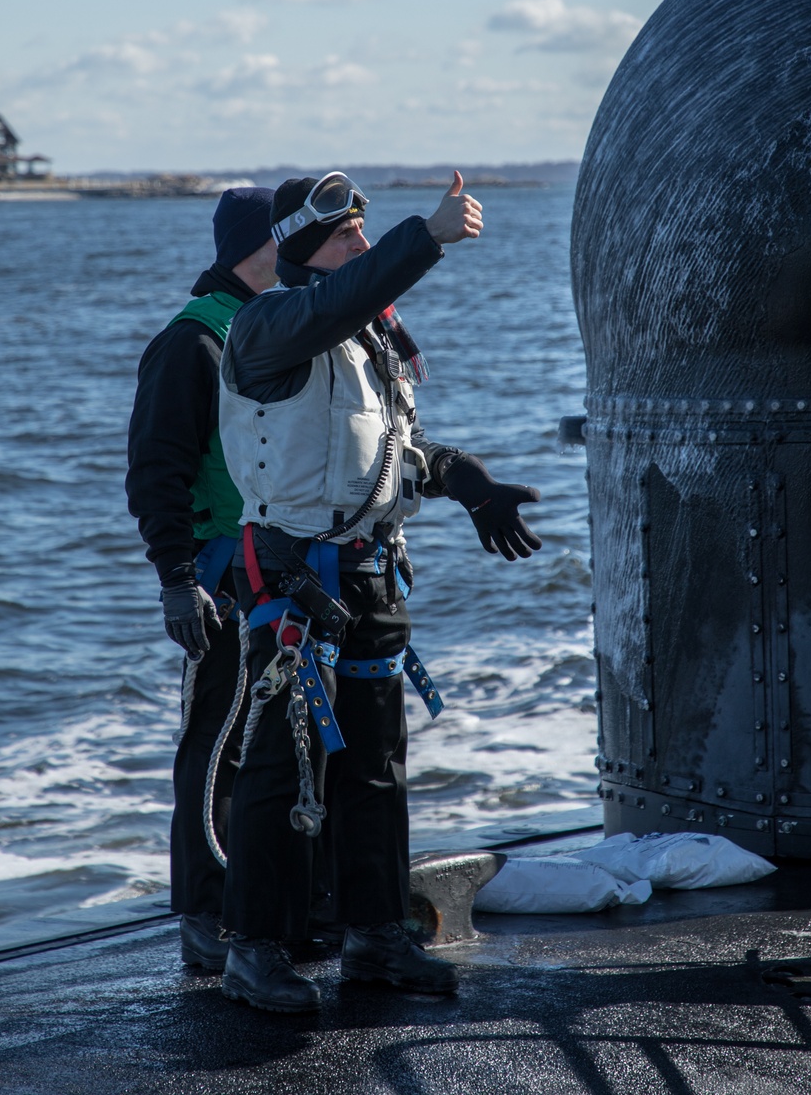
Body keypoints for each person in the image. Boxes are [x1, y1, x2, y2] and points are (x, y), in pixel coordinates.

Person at [217, 170, 541, 1012]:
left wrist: (471, 485)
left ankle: (376, 937)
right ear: (299, 253)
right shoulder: (268, 326)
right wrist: (422, 237)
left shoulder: (365, 344)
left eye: (367, 233)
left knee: (375, 769)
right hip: (295, 582)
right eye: (343, 237)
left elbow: (400, 451)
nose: (361, 246)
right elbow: (336, 301)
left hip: (368, 577)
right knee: (282, 773)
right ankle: (254, 949)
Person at [126, 185, 277, 972]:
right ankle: (202, 914)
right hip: (217, 578)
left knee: (267, 747)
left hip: (271, 571)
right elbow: (155, 468)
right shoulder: (192, 342)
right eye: (284, 237)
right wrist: (175, 578)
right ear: (255, 244)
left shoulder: (267, 327)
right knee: (213, 744)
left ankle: (261, 902)